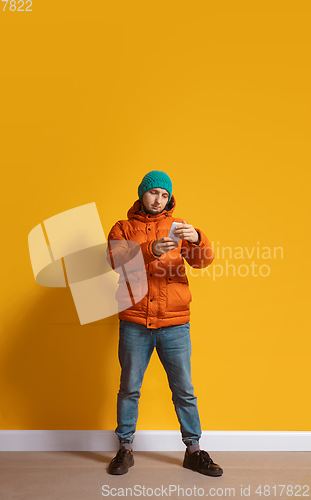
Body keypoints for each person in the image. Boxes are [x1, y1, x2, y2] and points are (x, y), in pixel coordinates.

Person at [105, 170, 223, 477]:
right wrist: (148, 250)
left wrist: (198, 238)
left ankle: (194, 451)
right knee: (129, 387)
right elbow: (115, 259)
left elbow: (203, 260)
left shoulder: (179, 227)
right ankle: (125, 448)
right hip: (135, 322)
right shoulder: (122, 227)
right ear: (142, 193)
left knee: (184, 388)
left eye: (164, 194)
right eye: (153, 192)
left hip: (174, 324)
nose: (159, 199)